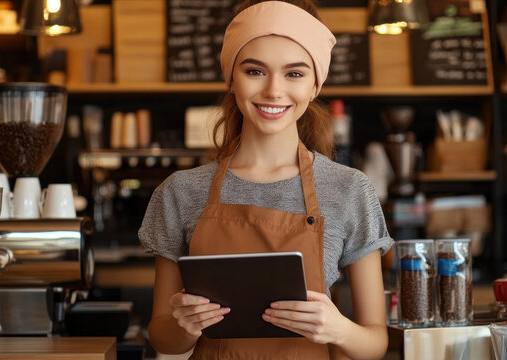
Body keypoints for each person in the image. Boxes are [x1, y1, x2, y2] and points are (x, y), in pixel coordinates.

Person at [138, 0, 394, 358]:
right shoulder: (181, 192)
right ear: (231, 78)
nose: (274, 90)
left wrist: (338, 328)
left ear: (315, 86)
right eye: (255, 71)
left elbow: (375, 344)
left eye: (294, 73)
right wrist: (184, 326)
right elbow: (161, 335)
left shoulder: (349, 190)